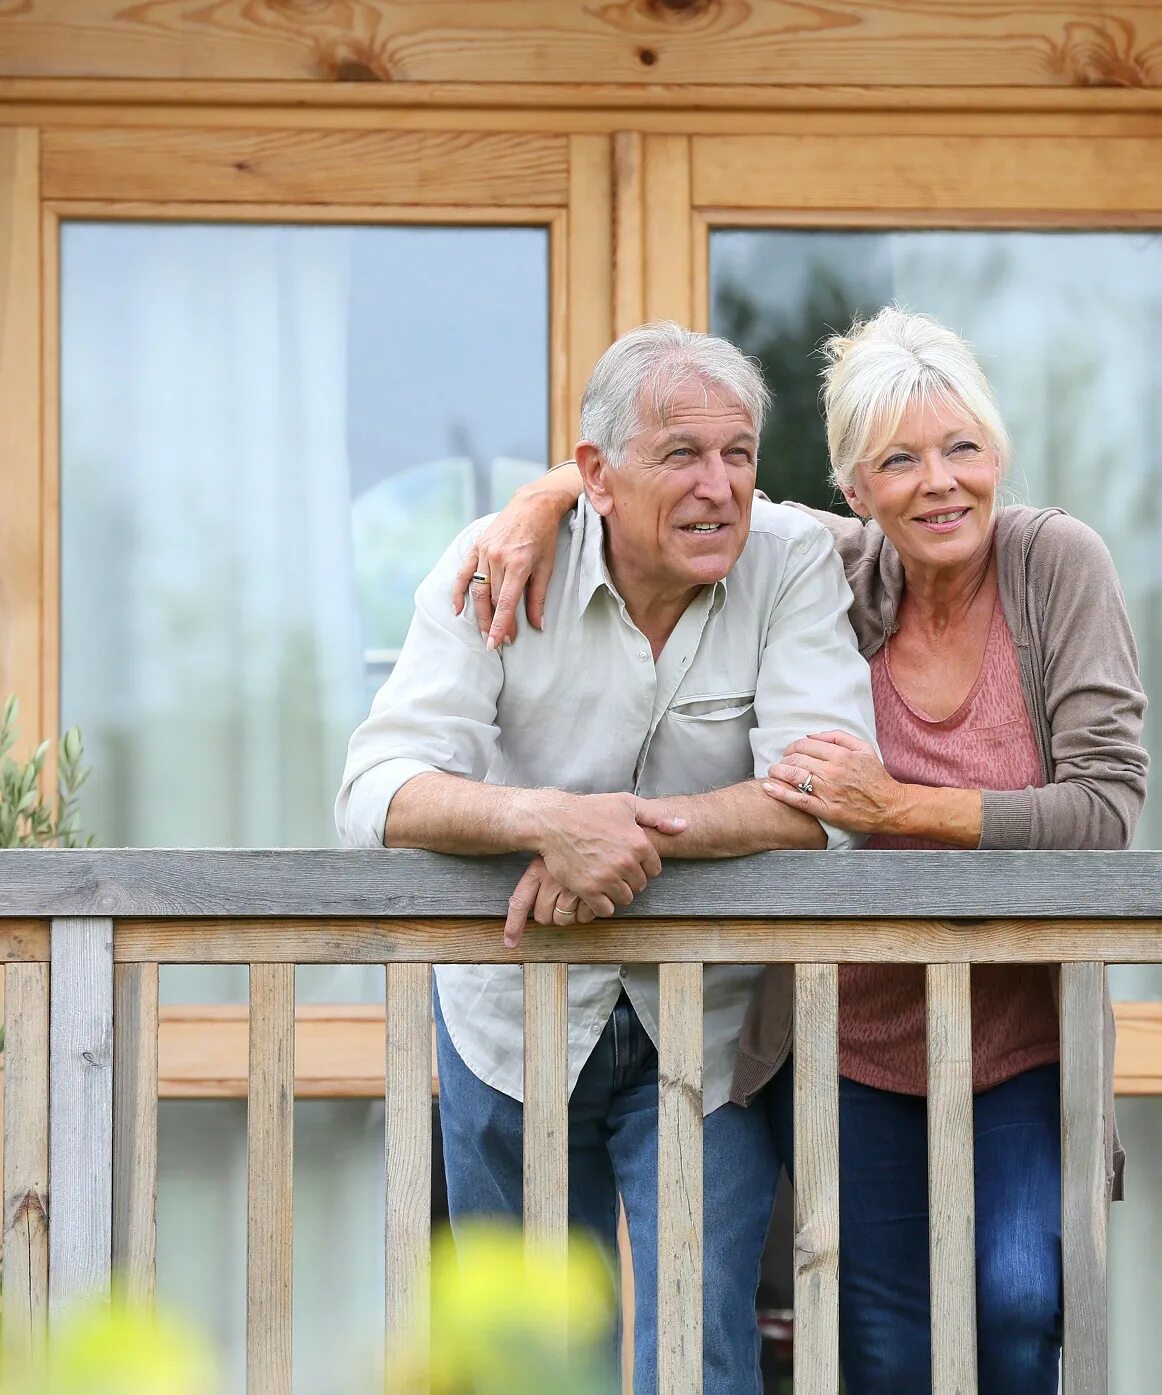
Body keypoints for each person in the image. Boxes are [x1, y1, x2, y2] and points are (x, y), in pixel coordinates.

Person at [461, 306, 1148, 1392]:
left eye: (963, 447)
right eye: (900, 460)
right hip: (851, 1040)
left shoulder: (1054, 563)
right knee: (879, 1351)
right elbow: (667, 487)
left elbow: (1105, 807)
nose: (941, 483)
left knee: (1022, 1315)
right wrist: (541, 500)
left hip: (1018, 1035)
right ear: (852, 489)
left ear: (997, 454)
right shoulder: (817, 563)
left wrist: (898, 805)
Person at [336, 321, 877, 1395]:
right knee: (535, 1365)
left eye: (739, 455)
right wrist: (544, 819)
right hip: (506, 1018)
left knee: (700, 1355)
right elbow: (376, 790)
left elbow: (829, 799)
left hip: (709, 1024)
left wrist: (618, 834)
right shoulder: (487, 564)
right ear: (594, 475)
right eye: (680, 455)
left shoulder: (792, 557)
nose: (718, 487)